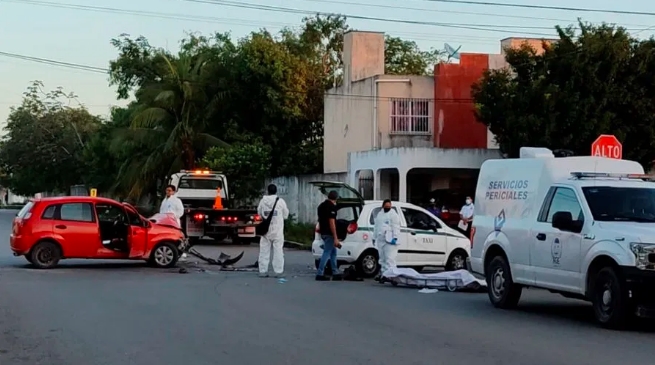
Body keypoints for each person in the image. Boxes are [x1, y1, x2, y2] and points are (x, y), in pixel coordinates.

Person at [257, 184, 289, 278]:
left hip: (265, 230)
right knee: (278, 251)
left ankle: (263, 271)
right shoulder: (281, 201)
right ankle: (278, 271)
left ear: (268, 191)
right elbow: (286, 215)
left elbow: (259, 213)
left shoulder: (263, 201)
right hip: (278, 230)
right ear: (276, 191)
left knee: (264, 251)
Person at [315, 190, 343, 281]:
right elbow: (332, 223)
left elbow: (320, 219)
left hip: (323, 232)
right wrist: (335, 237)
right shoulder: (331, 207)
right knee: (327, 253)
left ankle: (335, 272)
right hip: (329, 233)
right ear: (336, 198)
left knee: (333, 252)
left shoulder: (321, 206)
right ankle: (320, 273)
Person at [373, 199, 401, 281]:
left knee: (390, 259)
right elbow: (376, 227)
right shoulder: (380, 214)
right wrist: (374, 238)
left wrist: (395, 237)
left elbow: (396, 227)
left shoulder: (393, 215)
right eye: (386, 207)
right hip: (381, 240)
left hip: (390, 240)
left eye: (389, 207)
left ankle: (391, 275)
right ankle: (384, 274)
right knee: (382, 259)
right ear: (383, 206)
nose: (387, 208)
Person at [160, 184, 187, 259]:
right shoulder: (164, 200)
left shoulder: (176, 200)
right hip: (164, 222)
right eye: (167, 190)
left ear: (173, 192)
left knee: (175, 238)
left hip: (173, 223)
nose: (168, 192)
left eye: (169, 191)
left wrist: (173, 218)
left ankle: (179, 253)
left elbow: (181, 211)